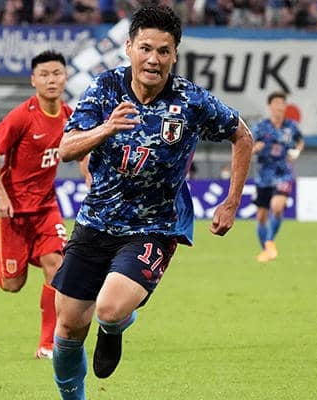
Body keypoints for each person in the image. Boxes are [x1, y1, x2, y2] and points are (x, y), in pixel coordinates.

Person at [49, 5, 253, 399]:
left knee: (108, 308)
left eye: (163, 51)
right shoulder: (105, 88)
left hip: (153, 227)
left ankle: (114, 325)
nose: (153, 60)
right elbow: (67, 148)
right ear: (129, 48)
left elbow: (242, 136)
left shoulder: (191, 100)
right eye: (145, 48)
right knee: (69, 326)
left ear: (175, 54)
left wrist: (231, 202)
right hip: (95, 222)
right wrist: (107, 128)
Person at [0, 50, 73, 360]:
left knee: (57, 267)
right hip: (11, 211)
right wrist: (1, 194)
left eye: (57, 73)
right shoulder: (21, 116)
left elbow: (83, 151)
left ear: (66, 77)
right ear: (33, 80)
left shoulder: (69, 115)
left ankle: (48, 345)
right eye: (44, 75)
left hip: (46, 208)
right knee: (13, 283)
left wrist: (90, 175)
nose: (51, 80)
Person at [251, 91, 304, 263]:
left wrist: (296, 151)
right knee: (261, 216)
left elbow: (300, 141)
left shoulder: (291, 126)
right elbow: (247, 145)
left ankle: (269, 241)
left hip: (283, 172)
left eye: (282, 103)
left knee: (277, 207)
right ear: (270, 106)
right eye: (276, 103)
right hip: (264, 175)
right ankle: (266, 250)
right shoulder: (260, 127)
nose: (279, 107)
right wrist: (255, 148)